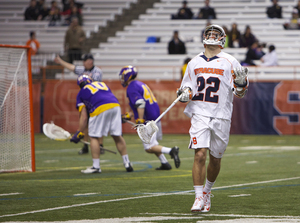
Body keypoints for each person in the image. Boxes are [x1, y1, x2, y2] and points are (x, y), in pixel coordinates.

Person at [177, 24, 249, 212]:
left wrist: (241, 84)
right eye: (209, 32)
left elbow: (239, 93)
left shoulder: (230, 61)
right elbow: (187, 87)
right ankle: (198, 197)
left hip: (221, 115)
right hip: (200, 112)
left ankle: (208, 191)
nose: (211, 35)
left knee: (215, 159)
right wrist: (185, 93)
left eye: (216, 33)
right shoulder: (193, 62)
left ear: (222, 39)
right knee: (199, 153)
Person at [119, 65, 180, 170]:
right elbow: (140, 104)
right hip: (155, 116)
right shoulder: (139, 84)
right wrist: (129, 115)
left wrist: (140, 120)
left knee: (149, 147)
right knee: (153, 144)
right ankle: (165, 163)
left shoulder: (132, 87)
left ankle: (171, 150)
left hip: (148, 119)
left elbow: (140, 104)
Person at [70, 75, 133, 173]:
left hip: (99, 108)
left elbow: (84, 116)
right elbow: (108, 99)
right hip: (115, 106)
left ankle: (96, 166)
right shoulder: (102, 84)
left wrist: (79, 132)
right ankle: (127, 162)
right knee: (117, 135)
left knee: (93, 137)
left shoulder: (81, 92)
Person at [54, 53, 103, 155]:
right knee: (85, 124)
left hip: (95, 100)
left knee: (98, 123)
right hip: (86, 99)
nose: (88, 62)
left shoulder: (97, 71)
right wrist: (61, 61)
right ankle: (85, 145)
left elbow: (94, 83)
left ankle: (100, 146)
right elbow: (72, 67)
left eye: (89, 60)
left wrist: (85, 79)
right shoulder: (82, 69)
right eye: (86, 61)